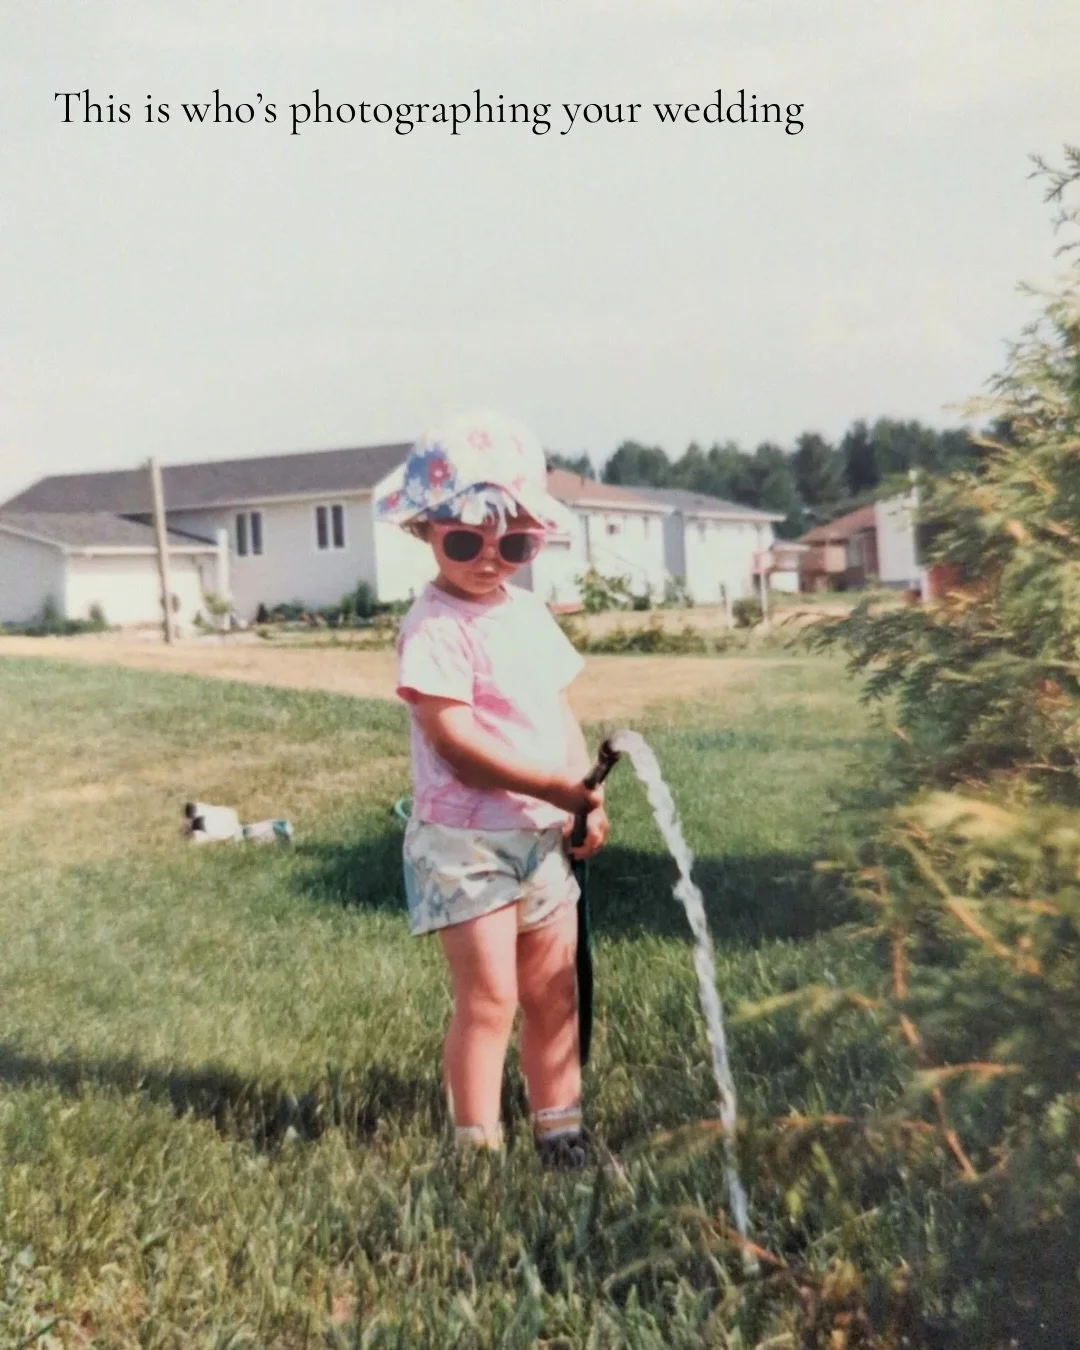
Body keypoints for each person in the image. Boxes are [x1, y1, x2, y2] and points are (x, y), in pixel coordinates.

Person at [376, 411, 608, 1168]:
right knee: (490, 1001)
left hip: (540, 838)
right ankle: (476, 1153)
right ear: (425, 533)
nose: (488, 559)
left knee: (553, 995)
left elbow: (559, 712)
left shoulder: (530, 615)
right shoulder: (434, 627)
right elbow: (456, 745)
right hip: (465, 844)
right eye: (465, 541)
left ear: (533, 540)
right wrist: (551, 785)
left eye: (512, 544)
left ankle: (560, 1131)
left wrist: (584, 794)